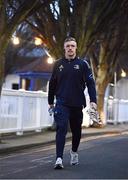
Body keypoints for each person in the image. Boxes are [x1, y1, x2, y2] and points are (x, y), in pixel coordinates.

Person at [48, 37, 99, 169]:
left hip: (77, 104)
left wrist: (93, 101)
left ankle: (74, 152)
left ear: (76, 48)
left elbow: (90, 83)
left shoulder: (83, 64)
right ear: (64, 48)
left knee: (77, 132)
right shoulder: (57, 64)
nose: (70, 48)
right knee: (61, 128)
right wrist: (50, 102)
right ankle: (59, 158)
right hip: (61, 103)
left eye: (72, 46)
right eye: (68, 46)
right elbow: (52, 84)